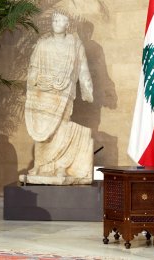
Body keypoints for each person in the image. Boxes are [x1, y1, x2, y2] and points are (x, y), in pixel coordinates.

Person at [23, 12, 94, 184]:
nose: (57, 23)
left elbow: (83, 68)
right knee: (42, 129)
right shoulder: (43, 44)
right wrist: (32, 83)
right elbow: (33, 66)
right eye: (54, 20)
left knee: (61, 126)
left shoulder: (75, 44)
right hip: (43, 91)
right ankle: (40, 165)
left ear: (67, 24)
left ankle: (61, 165)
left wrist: (87, 88)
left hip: (63, 92)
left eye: (61, 20)